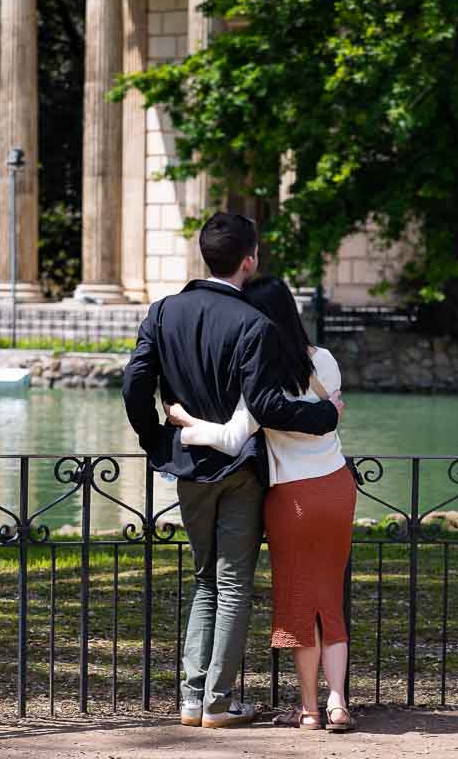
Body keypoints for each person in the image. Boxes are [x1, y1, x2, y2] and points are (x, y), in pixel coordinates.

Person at [121, 212, 345, 729]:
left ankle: (191, 698)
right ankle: (217, 702)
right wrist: (325, 414)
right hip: (240, 469)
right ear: (250, 260)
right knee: (232, 583)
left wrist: (155, 438)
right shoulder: (253, 322)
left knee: (204, 580)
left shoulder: (161, 312)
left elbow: (135, 381)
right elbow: (266, 405)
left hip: (188, 466)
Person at [166, 277, 357, 732]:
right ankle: (338, 703)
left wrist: (184, 420)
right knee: (329, 597)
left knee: (298, 600)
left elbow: (232, 438)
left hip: (292, 496)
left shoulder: (261, 377)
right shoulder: (325, 362)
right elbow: (331, 413)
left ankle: (310, 711)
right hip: (337, 486)